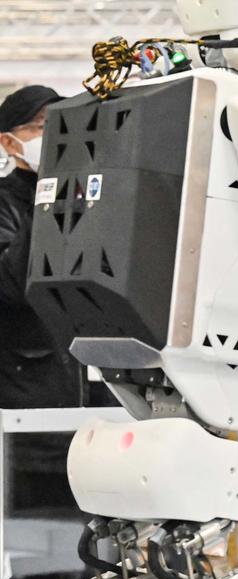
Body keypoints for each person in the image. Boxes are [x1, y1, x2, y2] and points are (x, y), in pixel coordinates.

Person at [0, 85, 92, 511]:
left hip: (86, 419)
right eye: (44, 128)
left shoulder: (78, 202)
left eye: (64, 129)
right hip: (25, 428)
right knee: (34, 547)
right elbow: (14, 284)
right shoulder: (8, 205)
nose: (56, 140)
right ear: (8, 141)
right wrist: (48, 194)